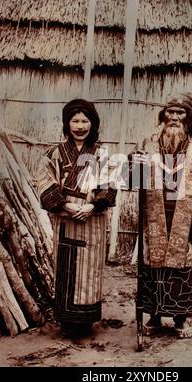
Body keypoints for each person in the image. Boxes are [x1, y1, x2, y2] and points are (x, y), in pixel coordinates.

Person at [129, 92, 192, 339]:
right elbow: (131, 179)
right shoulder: (147, 143)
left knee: (183, 268)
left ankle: (182, 317)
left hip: (185, 217)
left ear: (188, 117)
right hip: (153, 215)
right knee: (152, 265)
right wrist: (133, 162)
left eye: (180, 113)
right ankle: (154, 316)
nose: (174, 117)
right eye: (170, 112)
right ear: (163, 114)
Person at [38, 99, 117, 338]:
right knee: (65, 266)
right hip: (65, 219)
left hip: (92, 221)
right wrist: (68, 206)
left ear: (93, 124)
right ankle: (65, 321)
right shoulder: (53, 153)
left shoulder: (103, 154)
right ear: (66, 123)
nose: (80, 126)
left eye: (85, 121)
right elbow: (45, 182)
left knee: (89, 270)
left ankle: (86, 322)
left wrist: (92, 206)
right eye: (75, 121)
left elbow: (111, 184)